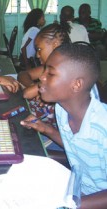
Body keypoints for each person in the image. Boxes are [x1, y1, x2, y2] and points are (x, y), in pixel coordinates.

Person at [20, 43, 107, 209]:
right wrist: (47, 129)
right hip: (76, 189)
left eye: (50, 73)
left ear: (76, 85)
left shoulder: (102, 128)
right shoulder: (61, 109)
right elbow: (77, 148)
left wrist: (72, 204)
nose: (41, 78)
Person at [18, 23, 71, 152]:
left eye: (39, 49)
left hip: (57, 138)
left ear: (55, 45)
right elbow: (23, 74)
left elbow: (26, 94)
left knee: (16, 140)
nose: (37, 55)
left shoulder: (66, 74)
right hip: (44, 125)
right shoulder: (48, 68)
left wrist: (40, 87)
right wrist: (37, 87)